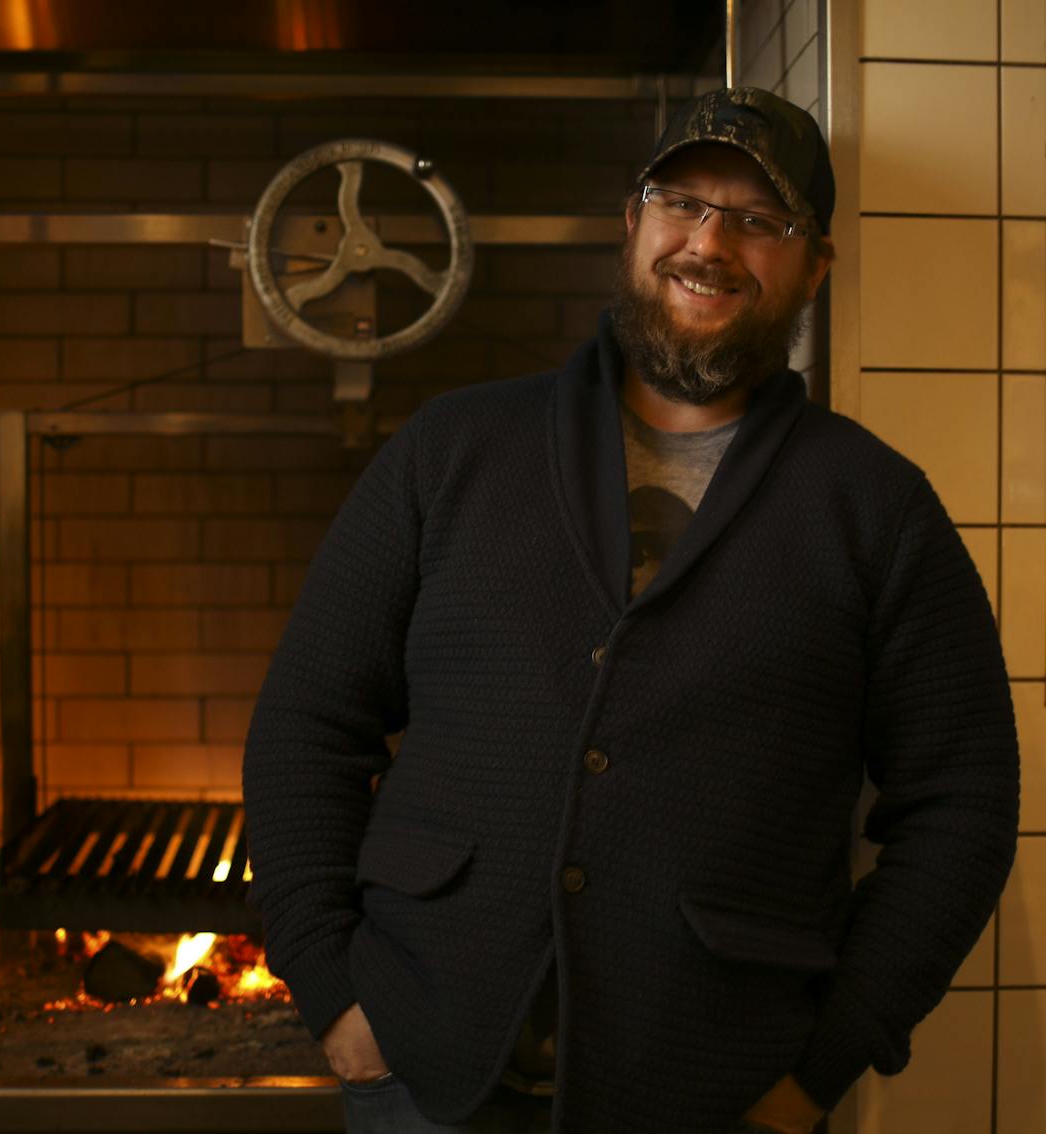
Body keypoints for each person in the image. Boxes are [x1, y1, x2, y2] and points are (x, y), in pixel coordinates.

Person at [242, 87, 1019, 1134]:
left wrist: (823, 1068)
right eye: (681, 202)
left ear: (815, 267)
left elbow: (961, 804)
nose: (707, 242)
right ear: (633, 220)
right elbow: (306, 721)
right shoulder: (449, 450)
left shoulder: (874, 508)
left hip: (713, 1099)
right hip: (424, 1075)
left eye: (757, 220)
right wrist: (331, 992)